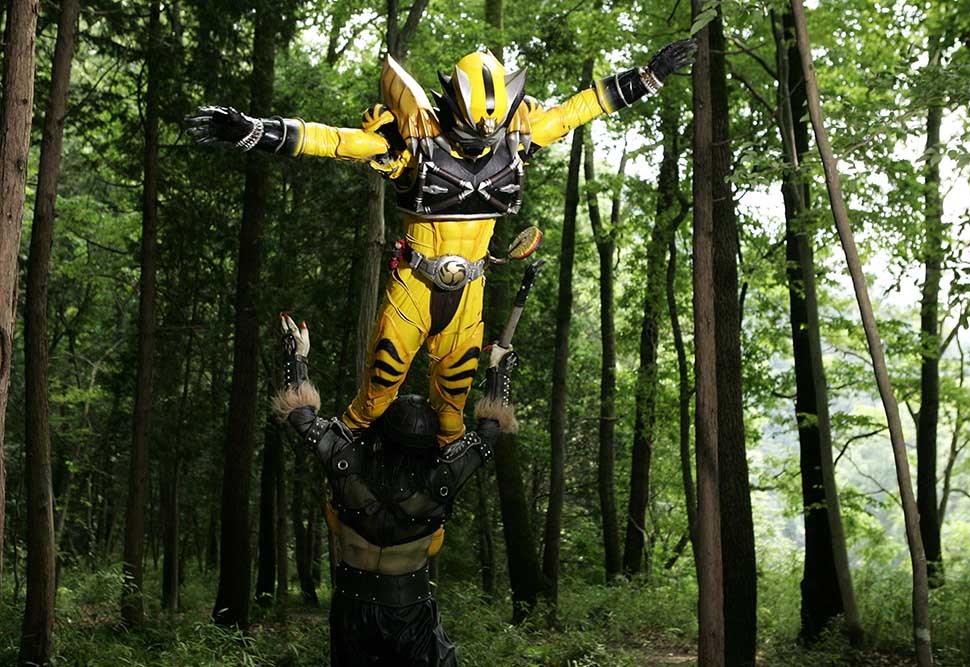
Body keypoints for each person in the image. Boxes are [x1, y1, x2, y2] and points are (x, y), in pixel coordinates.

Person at [189, 39, 694, 445]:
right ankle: (343, 493)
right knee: (374, 400)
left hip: (469, 293)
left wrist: (649, 75)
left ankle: (430, 518)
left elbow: (578, 109)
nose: (481, 144)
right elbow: (337, 141)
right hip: (414, 285)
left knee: (452, 414)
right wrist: (253, 130)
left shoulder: (517, 135)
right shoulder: (413, 141)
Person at [272, 313, 518, 666]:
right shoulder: (442, 477)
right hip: (409, 610)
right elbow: (489, 434)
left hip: (353, 608)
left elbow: (301, 417)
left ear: (384, 430)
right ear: (429, 440)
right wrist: (498, 371)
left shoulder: (346, 461)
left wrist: (296, 355)